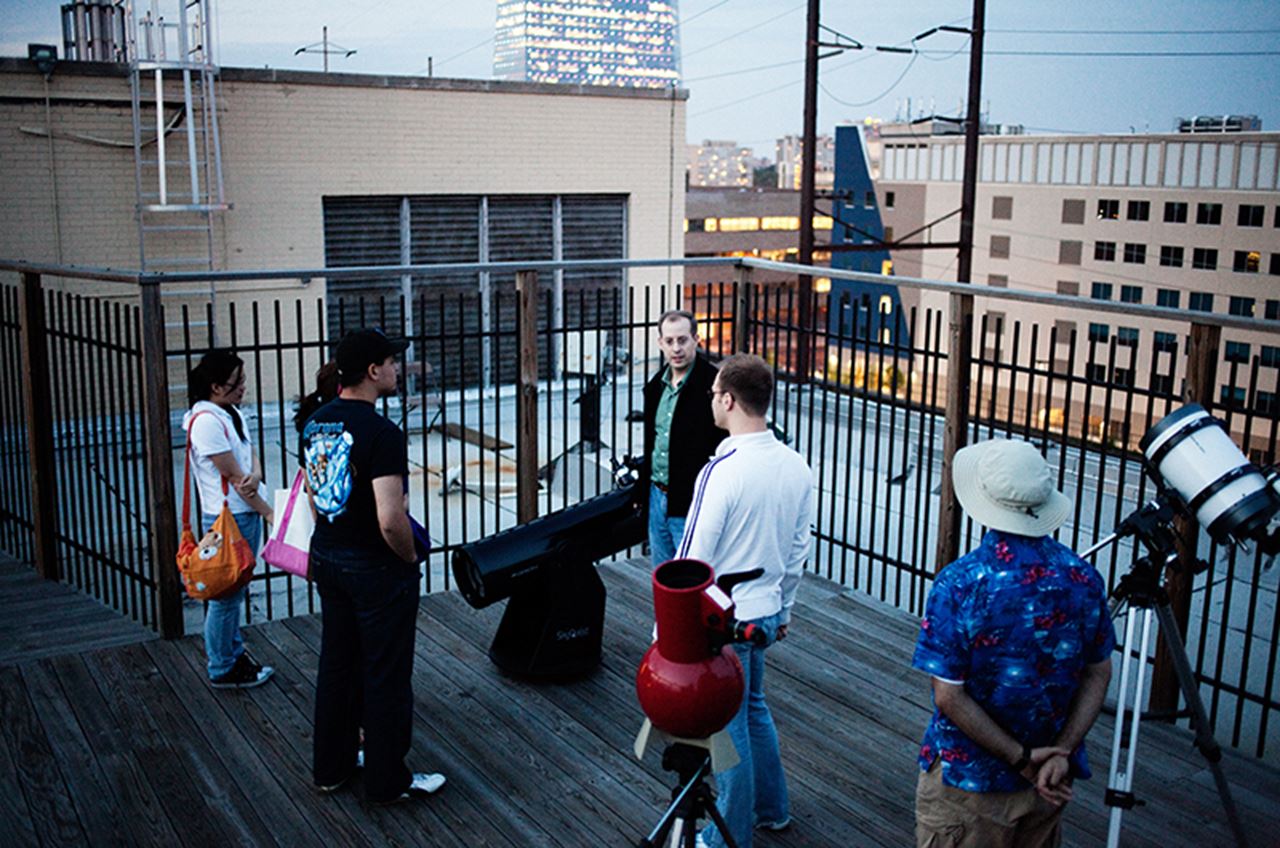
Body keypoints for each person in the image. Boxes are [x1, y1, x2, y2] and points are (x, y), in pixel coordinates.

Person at [912, 438, 1116, 848]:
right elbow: (1099, 672)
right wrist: (1060, 751)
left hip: (972, 781)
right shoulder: (1083, 578)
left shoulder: (962, 583)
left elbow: (949, 697)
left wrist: (1022, 760)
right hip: (1051, 778)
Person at [301, 328, 445, 804]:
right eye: (391, 361)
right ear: (372, 372)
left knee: (337, 667)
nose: (397, 368)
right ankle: (388, 781)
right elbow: (390, 518)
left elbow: (315, 497)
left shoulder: (316, 423)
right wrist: (408, 560)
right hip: (375, 569)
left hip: (329, 556)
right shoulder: (382, 433)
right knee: (385, 675)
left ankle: (331, 767)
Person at [677, 353, 814, 848]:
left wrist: (669, 634)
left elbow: (691, 562)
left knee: (727, 727)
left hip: (725, 622)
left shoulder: (722, 470)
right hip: (768, 610)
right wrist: (786, 609)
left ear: (729, 400)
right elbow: (799, 550)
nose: (713, 400)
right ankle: (772, 810)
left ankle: (729, 835)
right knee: (754, 707)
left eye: (715, 393)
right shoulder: (796, 465)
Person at [182, 350, 276, 689]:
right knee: (225, 597)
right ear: (216, 386)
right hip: (230, 518)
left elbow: (247, 455)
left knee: (233, 592)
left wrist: (257, 471)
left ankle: (232, 654)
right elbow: (237, 480)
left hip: (242, 514)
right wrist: (269, 514)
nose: (242, 388)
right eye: (237, 383)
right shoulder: (206, 422)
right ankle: (222, 666)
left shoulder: (227, 412)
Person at [641, 309, 726, 567]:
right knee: (662, 574)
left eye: (682, 340)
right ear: (660, 343)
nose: (676, 348)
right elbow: (652, 442)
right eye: (669, 341)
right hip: (657, 497)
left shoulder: (713, 385)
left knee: (693, 579)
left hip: (691, 501)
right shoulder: (656, 385)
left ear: (696, 339)